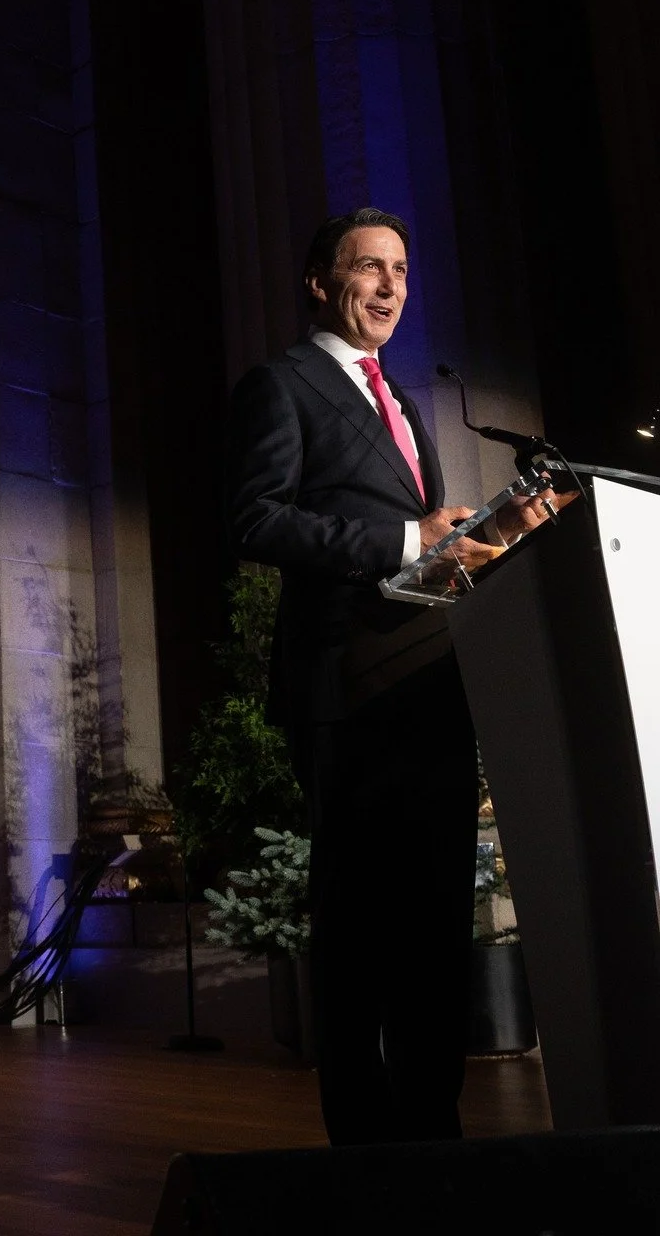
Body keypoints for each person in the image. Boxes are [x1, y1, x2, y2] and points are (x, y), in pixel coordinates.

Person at [225, 208, 546, 1145]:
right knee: (362, 928)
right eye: (369, 268)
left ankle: (432, 1133)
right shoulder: (280, 385)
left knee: (434, 922)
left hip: (430, 688)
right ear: (321, 283)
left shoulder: (404, 402)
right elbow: (253, 520)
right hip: (347, 691)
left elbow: (426, 553)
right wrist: (408, 537)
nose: (391, 286)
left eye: (401, 269)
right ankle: (364, 1149)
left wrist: (476, 543)